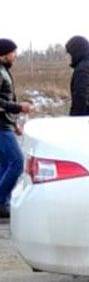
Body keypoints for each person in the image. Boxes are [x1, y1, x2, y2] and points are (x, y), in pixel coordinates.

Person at [0, 39, 33, 217]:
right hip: (1, 126)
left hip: (5, 124)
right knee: (17, 162)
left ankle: (2, 202)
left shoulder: (4, 71)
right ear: (4, 54)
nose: (15, 55)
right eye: (13, 52)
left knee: (5, 164)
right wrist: (18, 108)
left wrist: (14, 124)